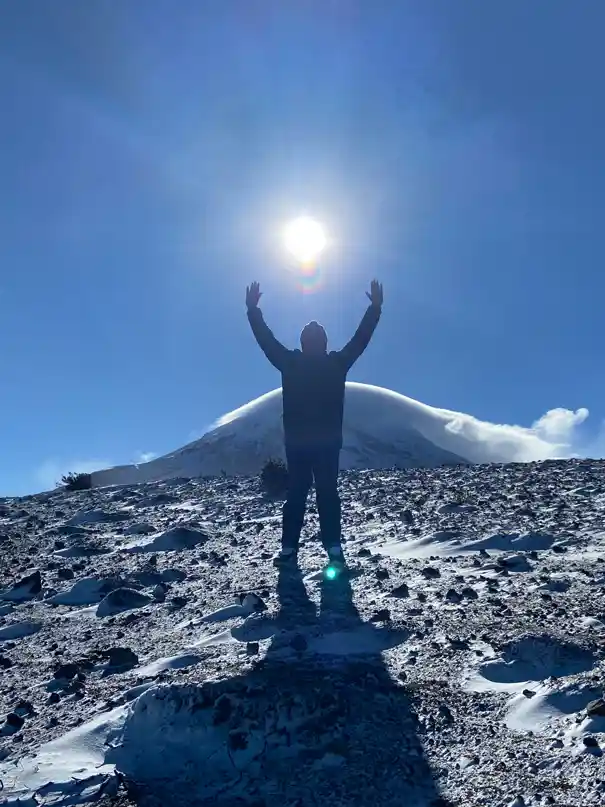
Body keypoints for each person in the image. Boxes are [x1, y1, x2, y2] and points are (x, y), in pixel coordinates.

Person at [246, 279, 383, 568]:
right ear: (324, 343)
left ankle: (290, 551)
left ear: (303, 343)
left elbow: (266, 341)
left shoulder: (290, 363)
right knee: (326, 494)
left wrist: (253, 311)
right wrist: (375, 309)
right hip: (327, 443)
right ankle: (332, 549)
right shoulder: (335, 364)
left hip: (298, 443)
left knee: (298, 494)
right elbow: (360, 340)